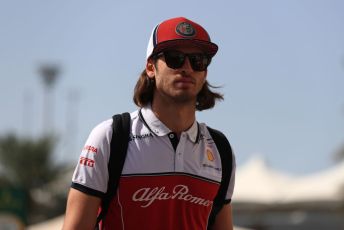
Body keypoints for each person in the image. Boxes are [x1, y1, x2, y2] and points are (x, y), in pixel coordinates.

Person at [63, 16, 236, 230]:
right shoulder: (110, 136)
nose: (187, 67)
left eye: (197, 60)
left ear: (205, 72)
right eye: (175, 58)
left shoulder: (220, 149)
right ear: (151, 67)